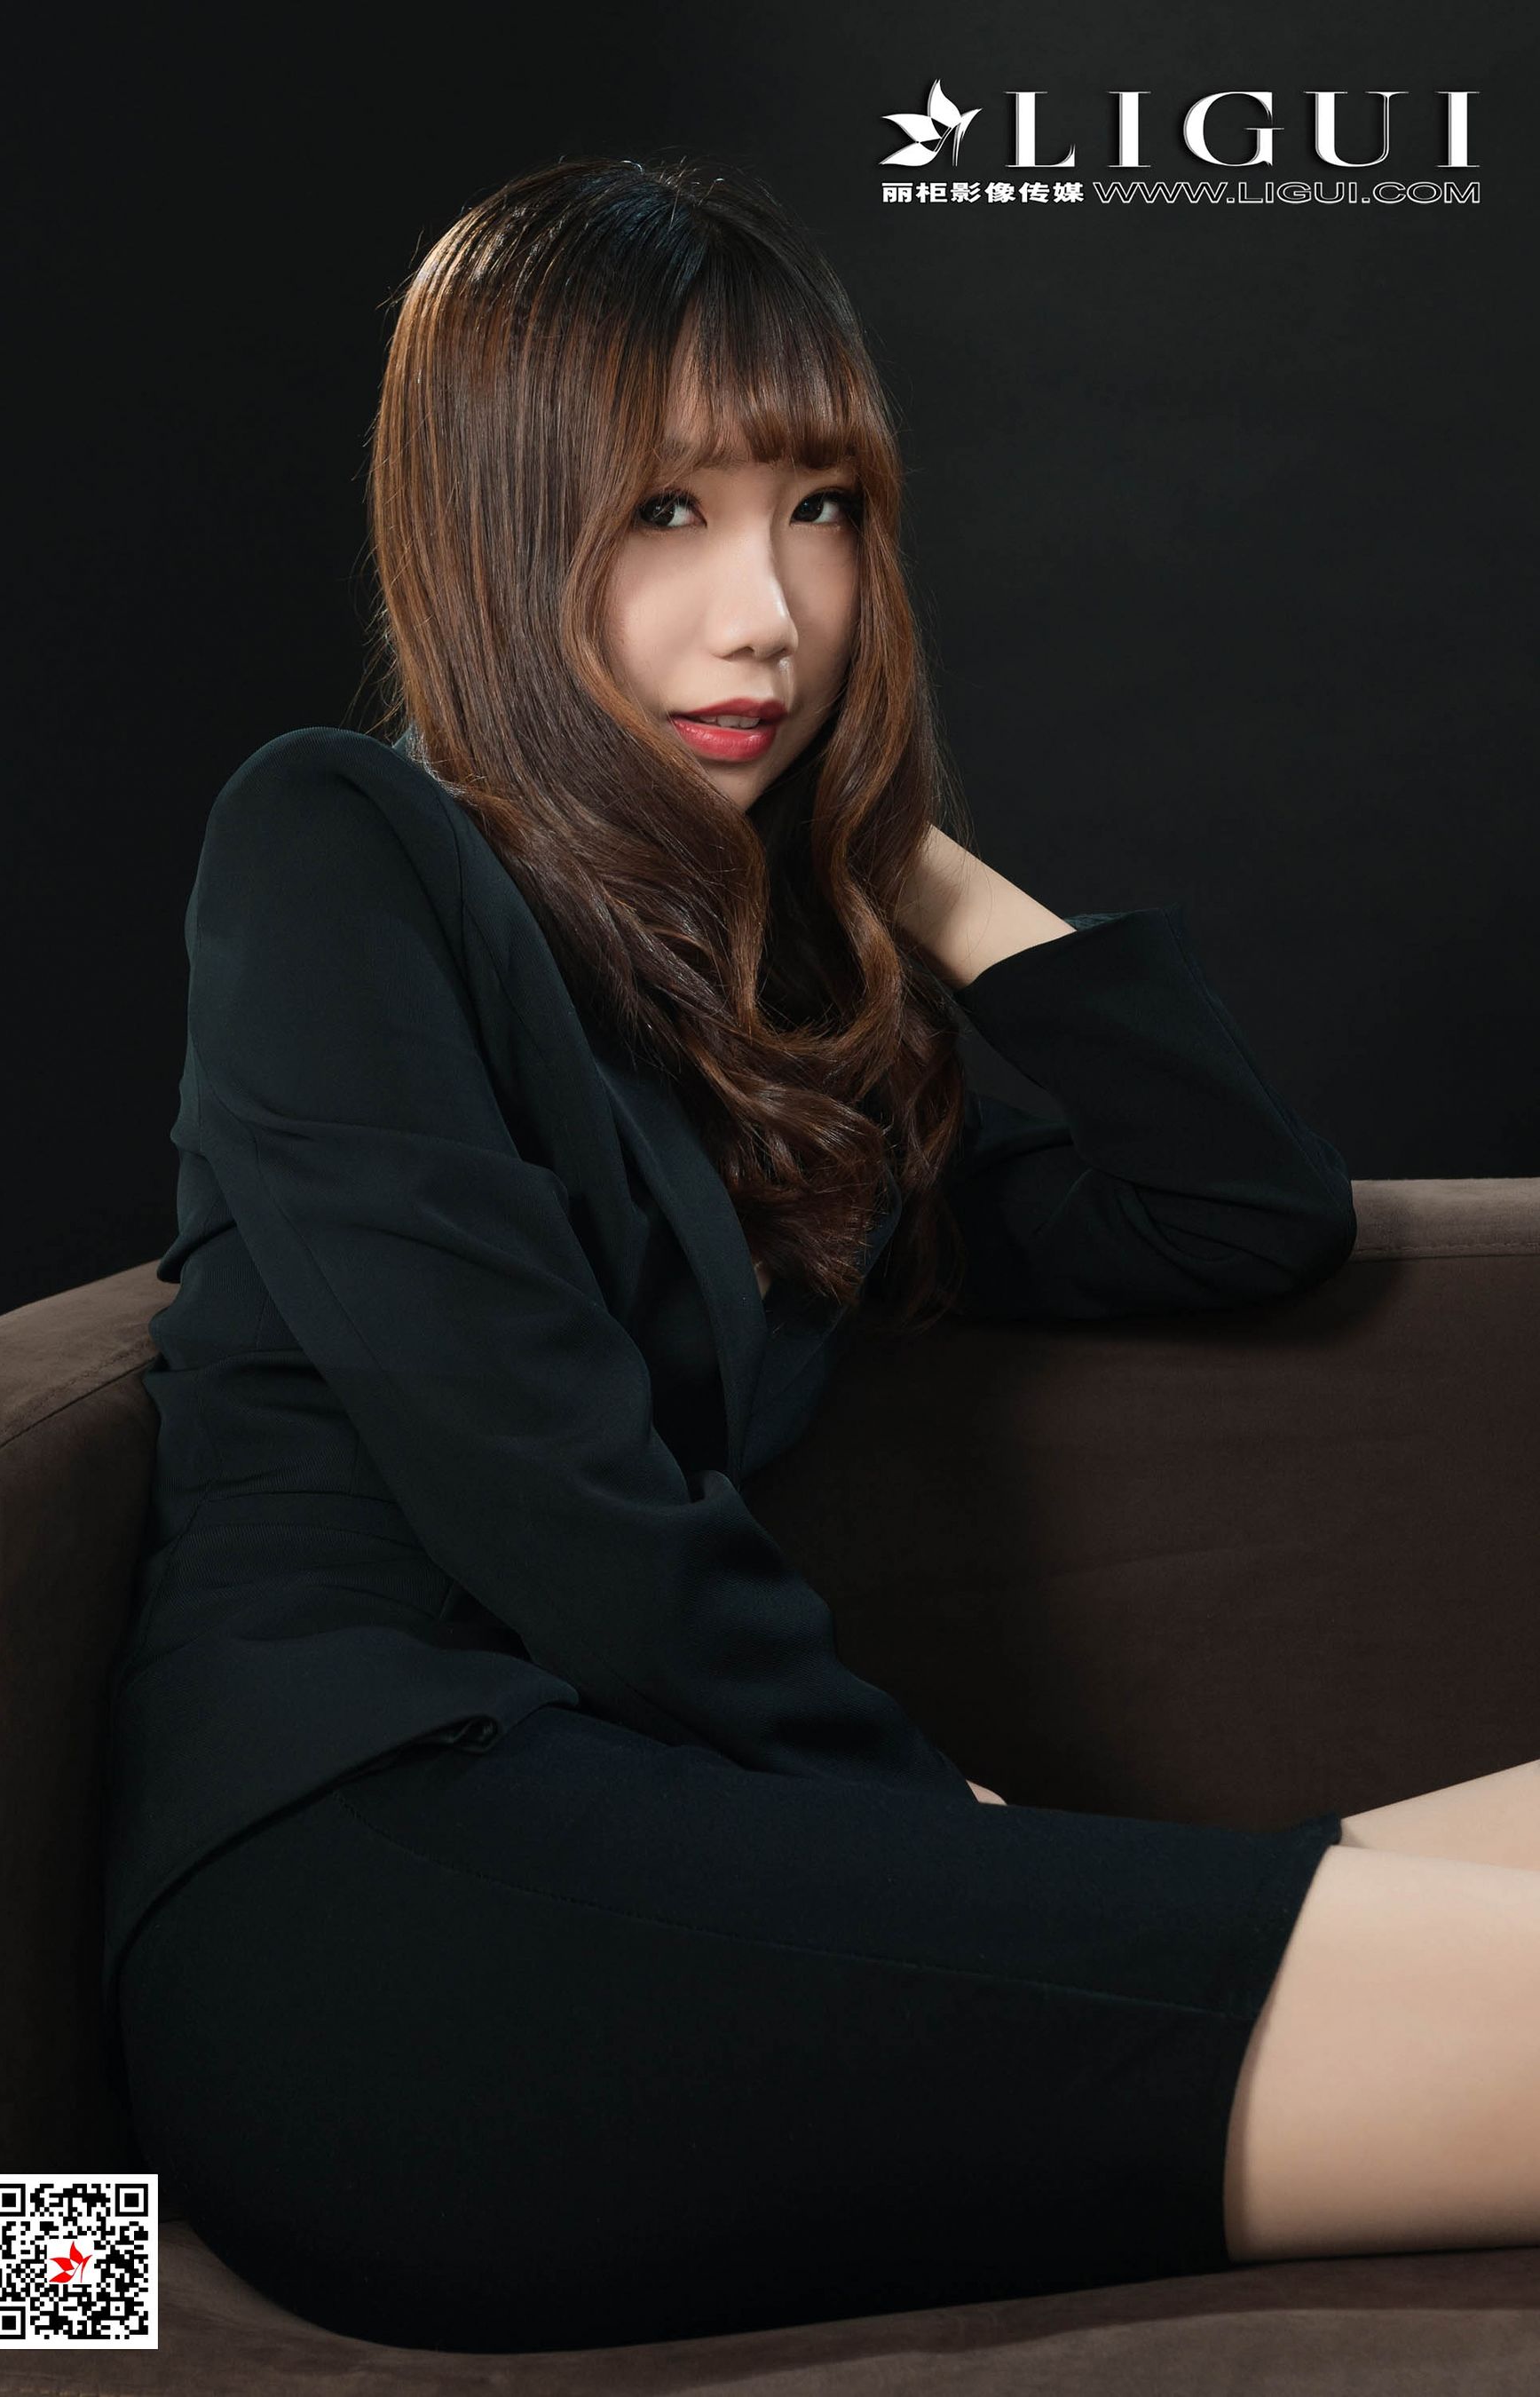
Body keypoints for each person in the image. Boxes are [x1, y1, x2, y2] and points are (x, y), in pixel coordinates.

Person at [107, 153, 1540, 2355]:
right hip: (380, 1896)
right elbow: (539, 1474)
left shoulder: (784, 1024)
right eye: (667, 512)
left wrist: (887, 848)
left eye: (823, 510)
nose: (768, 612)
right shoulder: (337, 847)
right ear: (495, 526)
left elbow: (1239, 1211)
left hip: (672, 1849)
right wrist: (927, 1827)